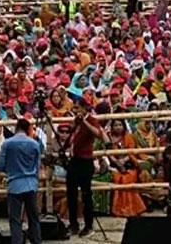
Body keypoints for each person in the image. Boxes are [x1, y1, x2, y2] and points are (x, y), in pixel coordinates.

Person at [0, 118, 42, 244]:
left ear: (16, 128)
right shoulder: (34, 144)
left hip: (14, 184)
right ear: (28, 129)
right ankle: (37, 241)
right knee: (33, 218)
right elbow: (37, 166)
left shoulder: (7, 144)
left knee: (15, 220)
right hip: (31, 184)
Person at [66, 98, 105, 237]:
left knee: (86, 194)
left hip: (85, 161)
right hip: (74, 160)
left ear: (84, 109)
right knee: (71, 193)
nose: (75, 111)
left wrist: (84, 122)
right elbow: (70, 137)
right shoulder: (76, 121)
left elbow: (98, 134)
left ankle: (89, 225)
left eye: (77, 108)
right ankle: (73, 224)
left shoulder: (91, 120)